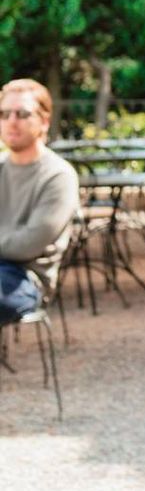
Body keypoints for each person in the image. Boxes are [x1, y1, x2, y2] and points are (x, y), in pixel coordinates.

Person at [0, 78, 80, 325]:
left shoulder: (58, 175)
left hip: (25, 278)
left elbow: (27, 245)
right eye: (4, 113)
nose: (12, 121)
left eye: (23, 114)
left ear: (44, 121)